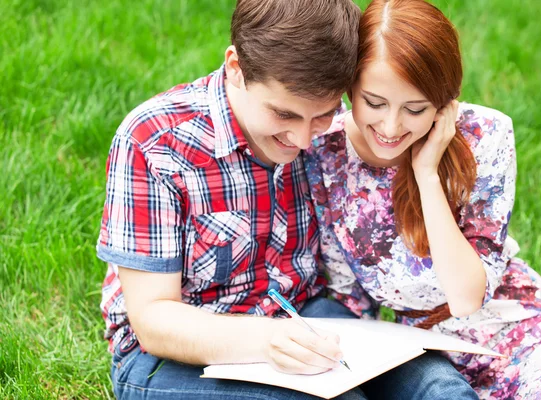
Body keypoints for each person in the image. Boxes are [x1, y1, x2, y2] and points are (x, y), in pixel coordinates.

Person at [96, 0, 477, 399]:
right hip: (177, 355)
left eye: (323, 115)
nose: (302, 139)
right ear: (236, 69)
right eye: (283, 115)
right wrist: (265, 339)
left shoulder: (326, 126)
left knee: (442, 388)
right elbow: (153, 319)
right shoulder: (156, 144)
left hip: (306, 315)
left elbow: (406, 105)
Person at [303, 0, 541, 399]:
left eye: (415, 108)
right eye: (374, 102)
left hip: (521, 332)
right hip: (417, 355)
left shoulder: (485, 136)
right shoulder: (324, 150)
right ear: (349, 88)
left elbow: (465, 298)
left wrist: (427, 175)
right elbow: (349, 299)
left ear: (445, 101)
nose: (390, 127)